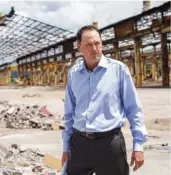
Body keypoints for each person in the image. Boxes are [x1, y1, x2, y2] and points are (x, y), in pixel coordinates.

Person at [61, 25, 148, 175]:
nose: (94, 48)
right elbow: (69, 113)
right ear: (79, 46)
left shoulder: (119, 70)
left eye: (97, 43)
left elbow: (133, 109)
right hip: (79, 144)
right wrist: (65, 148)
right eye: (88, 45)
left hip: (109, 144)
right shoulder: (73, 74)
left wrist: (138, 145)